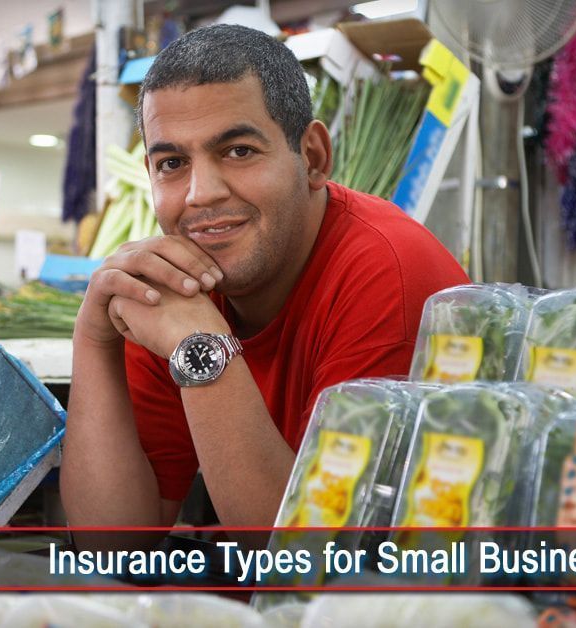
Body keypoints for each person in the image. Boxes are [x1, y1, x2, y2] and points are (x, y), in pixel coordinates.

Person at [61, 24, 469, 548]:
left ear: (314, 157)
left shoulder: (390, 273)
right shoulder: (175, 286)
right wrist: (94, 340)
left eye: (238, 151)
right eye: (172, 164)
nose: (200, 194)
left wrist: (204, 350)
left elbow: (307, 557)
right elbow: (111, 546)